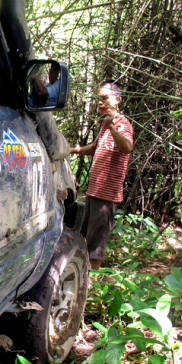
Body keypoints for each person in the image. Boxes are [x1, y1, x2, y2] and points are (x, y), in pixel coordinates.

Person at [69, 80, 134, 270]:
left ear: (118, 98)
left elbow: (127, 147)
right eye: (98, 99)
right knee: (86, 237)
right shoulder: (104, 124)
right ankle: (84, 277)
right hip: (94, 191)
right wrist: (73, 150)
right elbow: (96, 148)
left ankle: (93, 284)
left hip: (106, 195)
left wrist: (112, 126)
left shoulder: (122, 124)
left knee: (96, 246)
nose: (100, 102)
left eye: (105, 98)